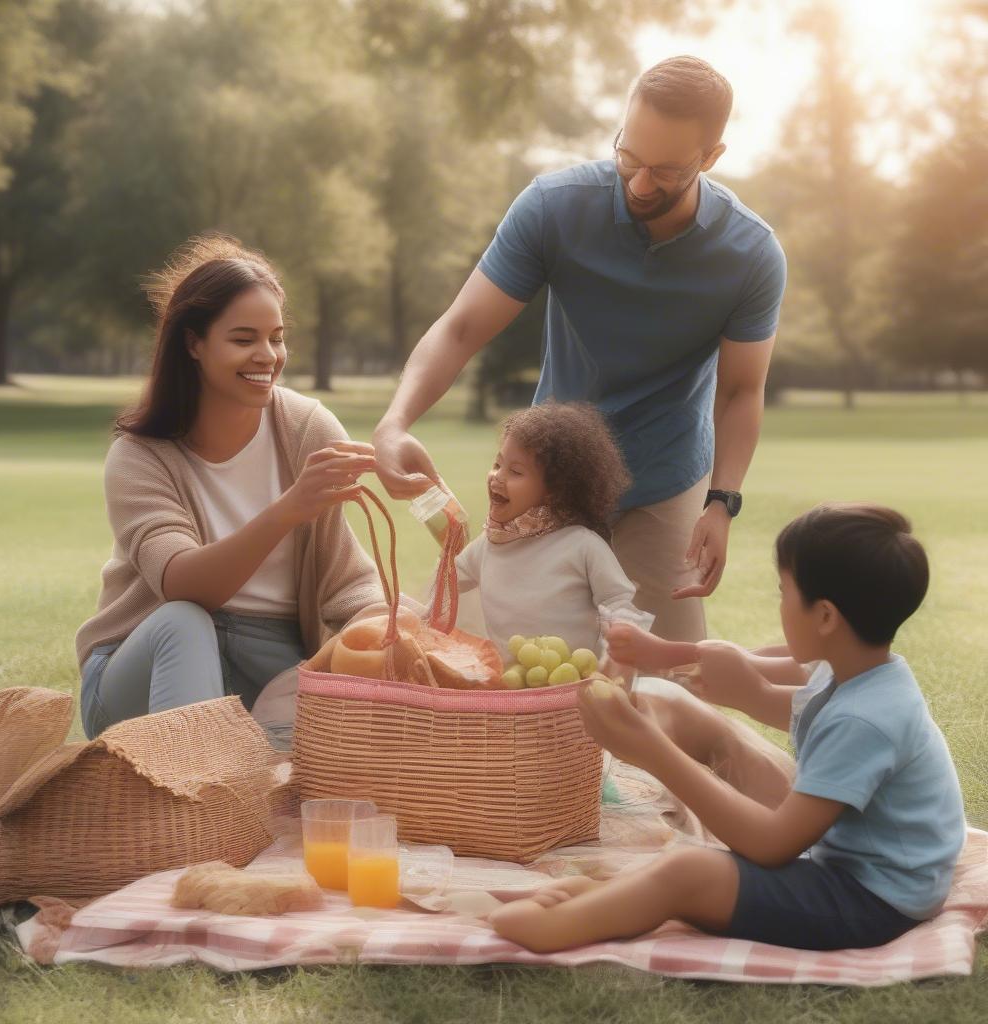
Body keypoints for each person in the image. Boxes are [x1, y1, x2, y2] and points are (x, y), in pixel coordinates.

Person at [373, 55, 787, 642]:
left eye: (665, 170)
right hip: (545, 474)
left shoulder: (751, 255)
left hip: (663, 477)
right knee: (482, 660)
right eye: (629, 157)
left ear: (712, 157)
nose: (640, 184)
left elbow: (742, 389)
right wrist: (394, 421)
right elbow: (462, 326)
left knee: (665, 682)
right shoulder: (554, 207)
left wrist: (721, 503)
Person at [489, 503, 966, 953]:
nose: (780, 604)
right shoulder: (861, 670)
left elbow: (773, 842)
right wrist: (669, 655)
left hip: (872, 903)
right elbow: (772, 669)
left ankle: (556, 929)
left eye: (785, 592)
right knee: (702, 865)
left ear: (824, 616)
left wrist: (651, 748)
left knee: (691, 870)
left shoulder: (866, 719)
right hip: (856, 873)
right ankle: (610, 899)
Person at [75, 235, 382, 739]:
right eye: (244, 339)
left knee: (304, 783)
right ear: (193, 343)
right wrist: (286, 511)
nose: (267, 356)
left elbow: (346, 580)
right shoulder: (139, 455)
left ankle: (232, 778)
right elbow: (183, 585)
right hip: (141, 674)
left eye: (276, 337)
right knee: (183, 621)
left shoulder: (308, 429)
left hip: (270, 666)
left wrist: (389, 625)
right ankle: (190, 799)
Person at [454, 402, 653, 662]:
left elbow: (618, 601)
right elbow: (445, 585)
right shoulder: (488, 544)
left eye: (515, 471)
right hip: (510, 687)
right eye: (497, 464)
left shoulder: (581, 545)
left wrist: (615, 656)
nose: (497, 477)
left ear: (554, 491)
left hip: (573, 683)